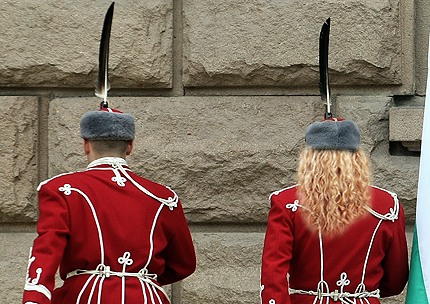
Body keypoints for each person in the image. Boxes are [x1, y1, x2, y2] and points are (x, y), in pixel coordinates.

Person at [23, 107, 196, 304]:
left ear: (85, 145)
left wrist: (34, 299)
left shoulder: (60, 189)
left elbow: (47, 250)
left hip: (85, 297)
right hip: (146, 297)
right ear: (130, 146)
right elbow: (184, 264)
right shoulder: (164, 196)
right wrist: (139, 280)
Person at [260, 118, 409, 304]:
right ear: (357, 158)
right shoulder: (388, 205)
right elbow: (395, 281)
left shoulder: (286, 202)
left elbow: (273, 278)